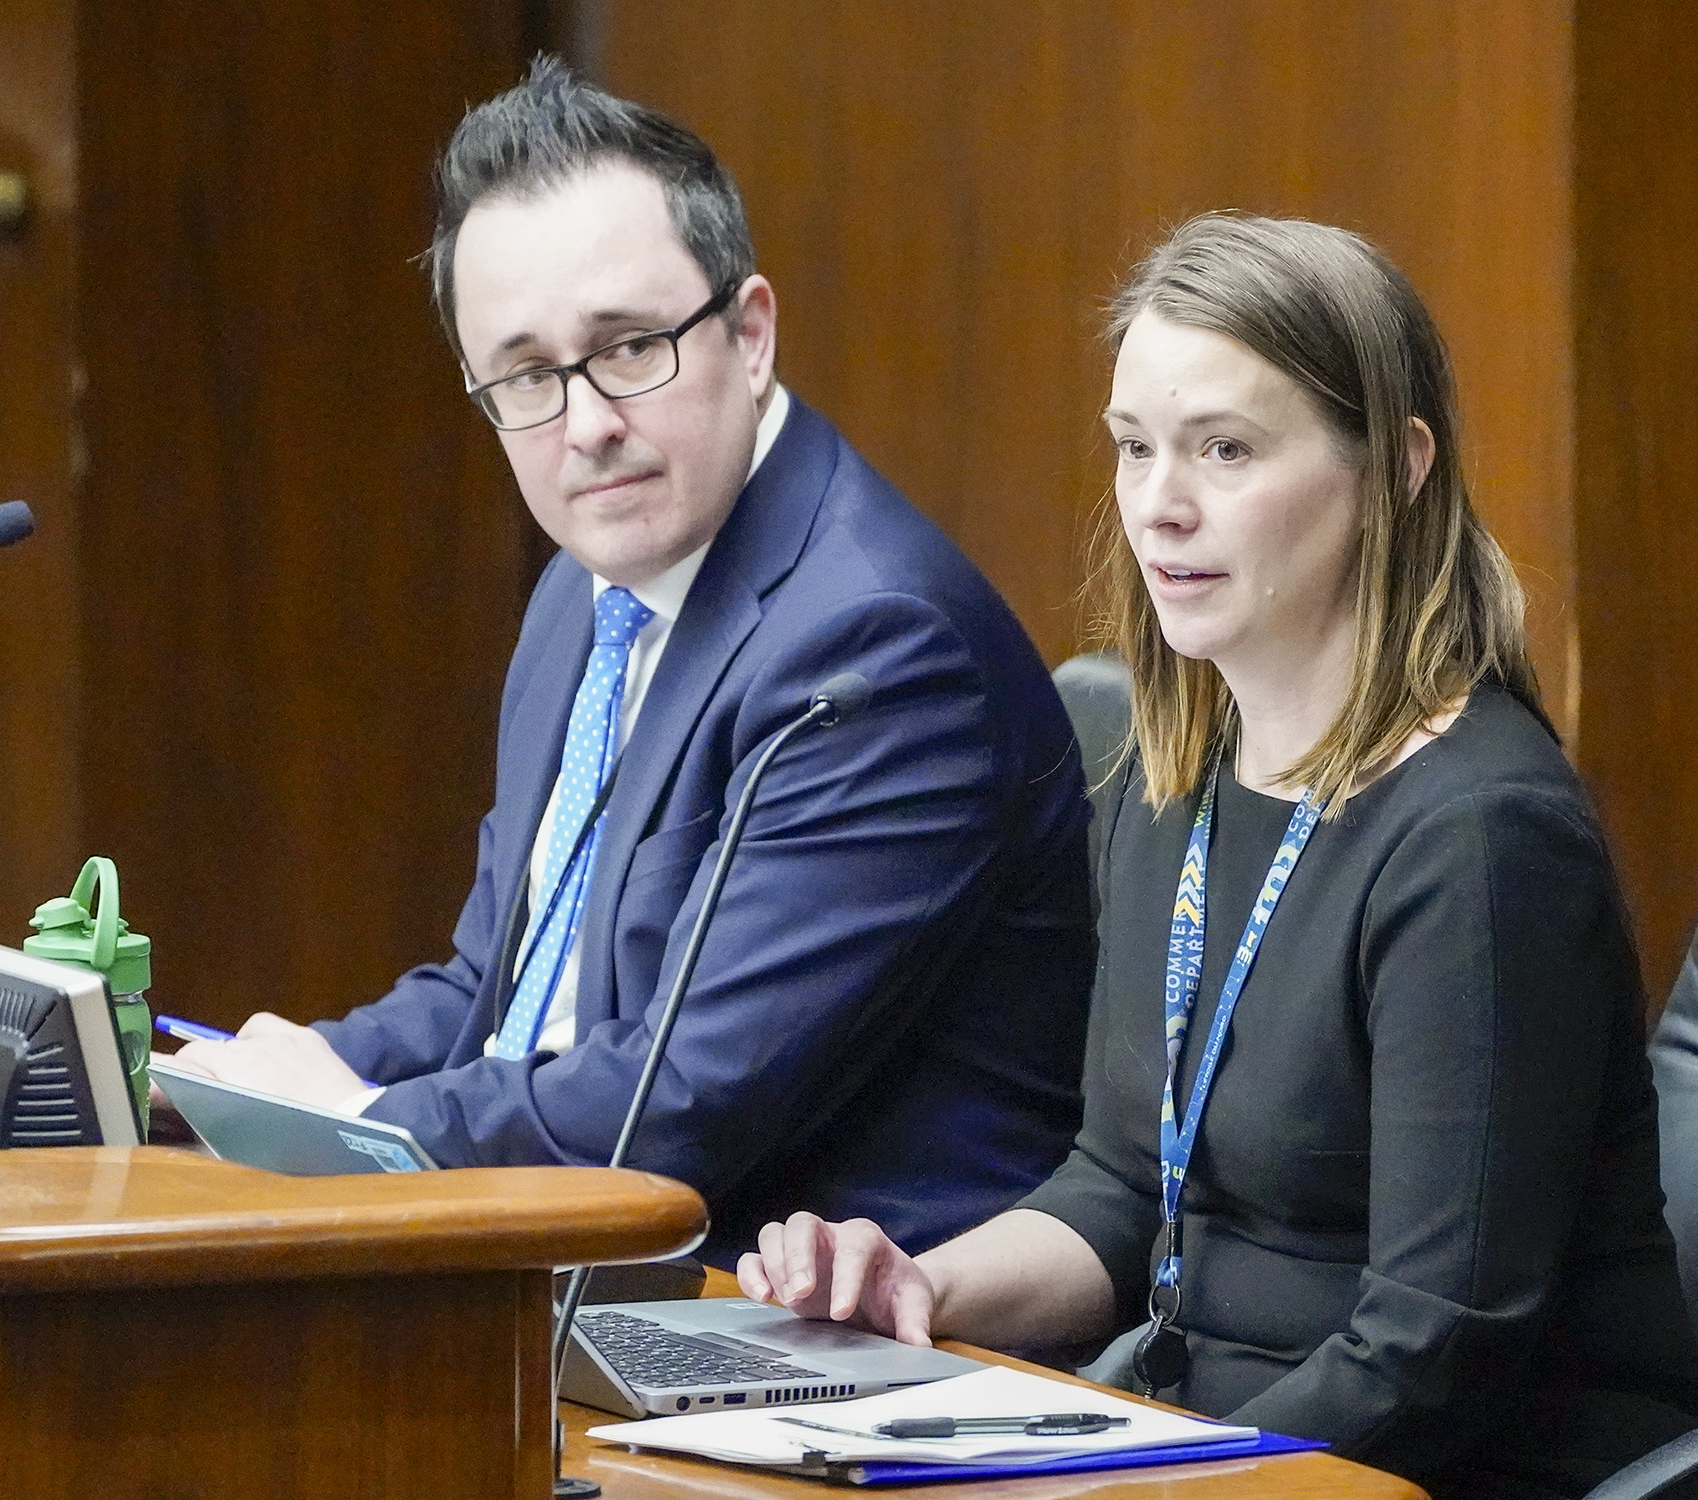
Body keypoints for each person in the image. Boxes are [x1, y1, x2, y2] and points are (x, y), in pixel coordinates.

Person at [740, 214, 1698, 1496]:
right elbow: (1129, 1184)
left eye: (1226, 451)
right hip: (1201, 1439)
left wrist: (1151, 1483)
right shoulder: (1171, 770)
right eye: (1134, 448)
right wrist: (924, 1287)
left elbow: (1437, 1352)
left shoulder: (1479, 842)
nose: (1159, 505)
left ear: (1398, 468)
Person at [167, 60, 1095, 1266]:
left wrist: (356, 1126)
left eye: (630, 348)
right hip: (602, 1285)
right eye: (528, 377)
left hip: (823, 1334)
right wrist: (244, 1088)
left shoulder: (874, 649)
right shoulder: (589, 589)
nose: (588, 422)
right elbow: (498, 993)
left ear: (749, 335)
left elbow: (682, 1098)